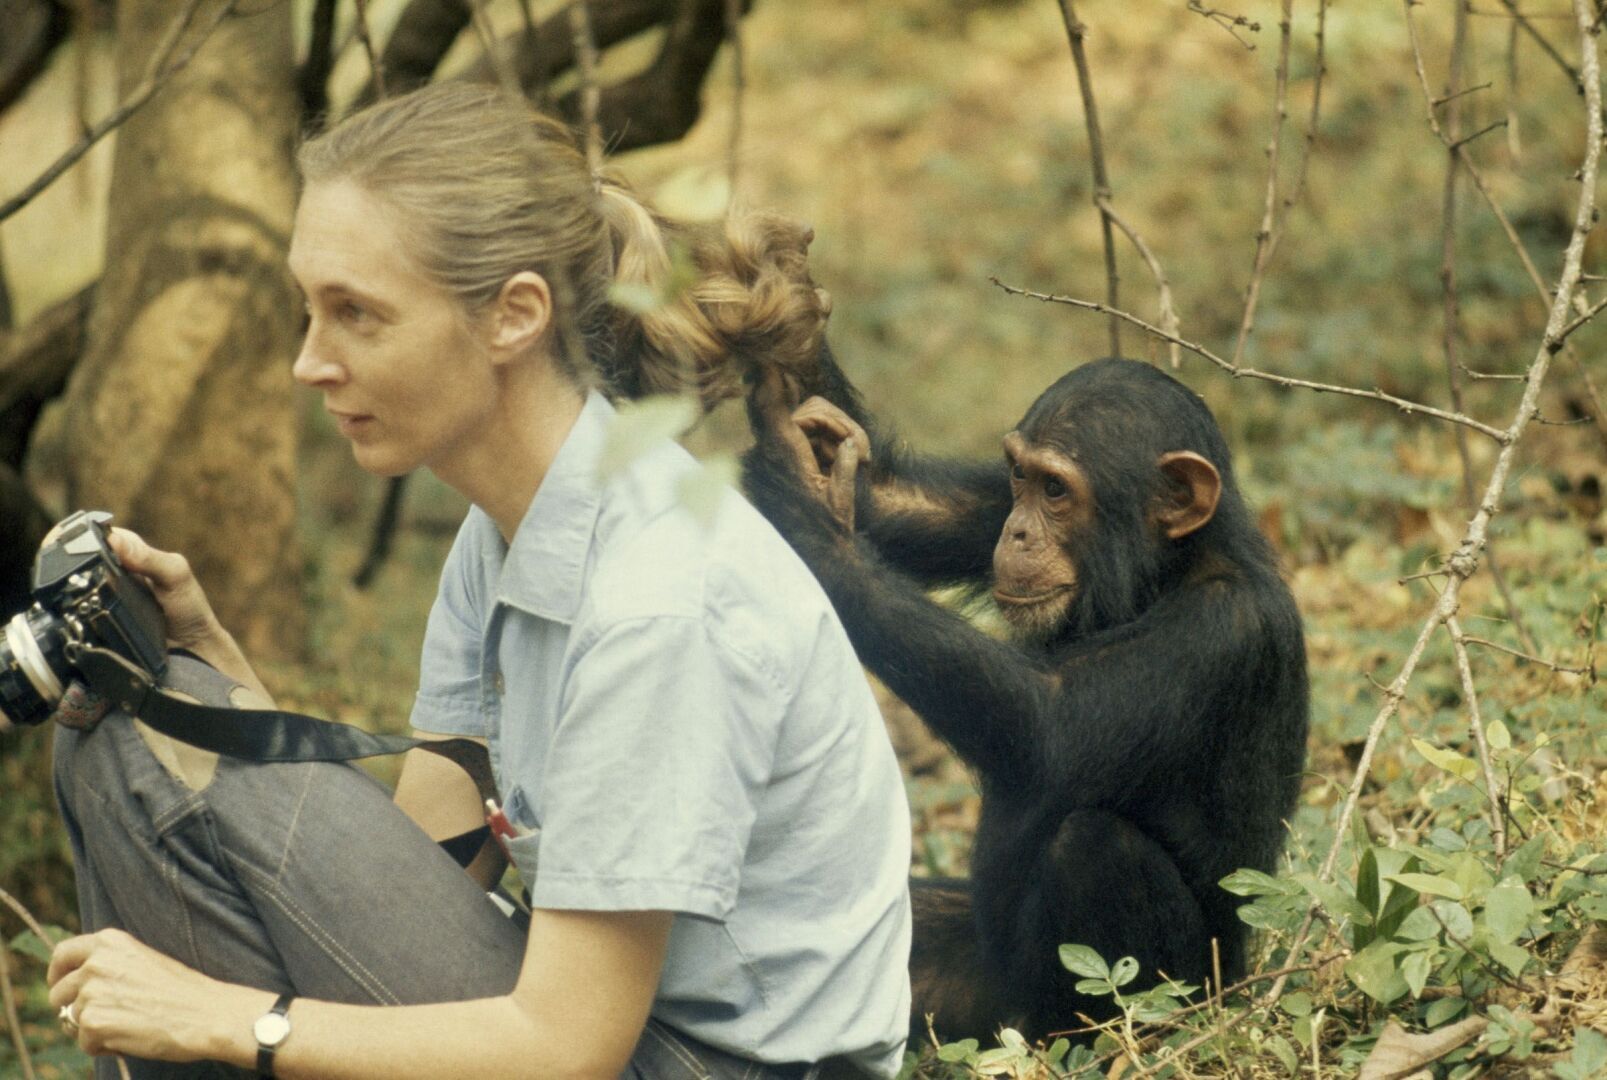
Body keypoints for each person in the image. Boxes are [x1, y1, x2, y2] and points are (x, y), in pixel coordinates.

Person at [45, 81, 912, 1080]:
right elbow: (426, 877)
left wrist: (231, 1021)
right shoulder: (508, 525)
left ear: (512, 316)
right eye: (307, 311)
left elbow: (565, 1047)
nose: (307, 363)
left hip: (695, 1066)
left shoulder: (657, 601)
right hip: (612, 1040)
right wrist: (228, 689)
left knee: (151, 751)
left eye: (355, 315)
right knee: (135, 716)